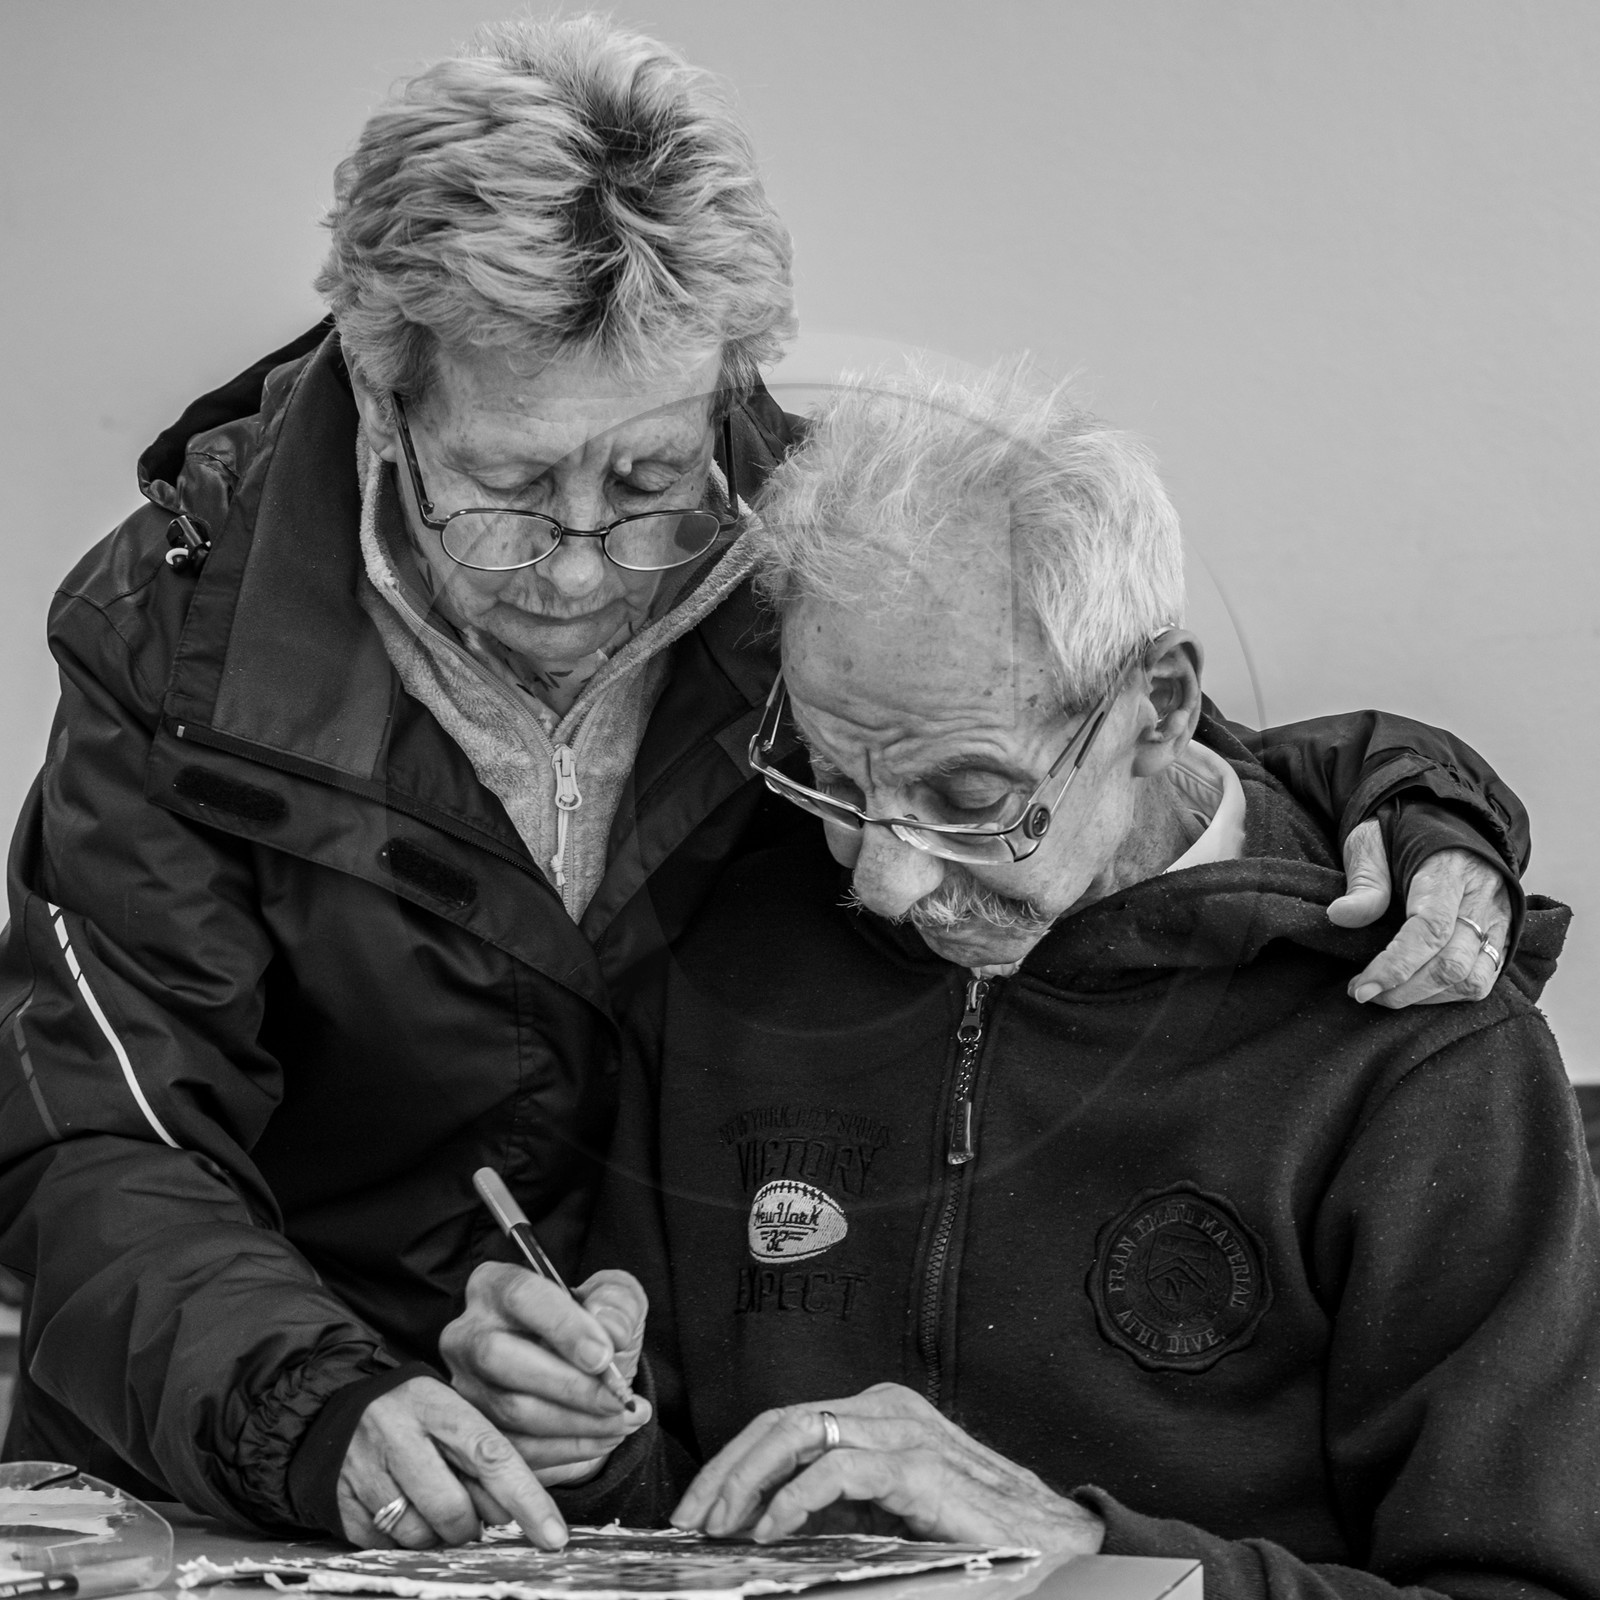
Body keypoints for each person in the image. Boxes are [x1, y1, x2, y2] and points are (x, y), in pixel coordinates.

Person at [0, 16, 1526, 1552]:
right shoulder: (178, 634)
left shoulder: (812, 549)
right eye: (513, 486)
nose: (582, 561)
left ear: (726, 389)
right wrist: (310, 1409)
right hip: (250, 1437)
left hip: (615, 1447)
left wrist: (1410, 789)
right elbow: (94, 1133)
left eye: (649, 477)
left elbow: (1070, 744)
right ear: (385, 391)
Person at [445, 365, 1600, 1599]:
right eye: (834, 777)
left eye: (970, 797)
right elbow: (671, 1517)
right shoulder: (737, 944)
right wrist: (577, 1440)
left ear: (1155, 709)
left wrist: (1102, 1567)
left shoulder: (1412, 1043)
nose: (882, 879)